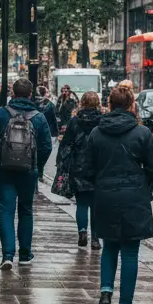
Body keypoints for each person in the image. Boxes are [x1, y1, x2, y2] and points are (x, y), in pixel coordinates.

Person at [77, 85, 153, 304]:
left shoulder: (96, 133)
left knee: (109, 248)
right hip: (134, 197)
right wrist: (140, 180)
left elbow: (86, 168)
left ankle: (105, 293)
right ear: (131, 105)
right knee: (130, 253)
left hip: (105, 197)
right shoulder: (142, 134)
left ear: (110, 105)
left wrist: (101, 182)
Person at [0, 78, 53, 270]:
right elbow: (46, 147)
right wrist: (36, 165)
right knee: (26, 211)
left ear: (13, 93)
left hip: (4, 171)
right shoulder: (39, 117)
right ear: (30, 94)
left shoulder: (0, 114)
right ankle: (25, 254)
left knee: (6, 211)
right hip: (28, 172)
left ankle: (7, 255)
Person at [55, 91, 102, 249]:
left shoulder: (75, 121)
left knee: (81, 204)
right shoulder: (103, 121)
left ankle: (82, 232)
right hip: (98, 167)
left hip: (78, 167)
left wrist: (61, 163)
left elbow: (66, 144)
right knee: (96, 205)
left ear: (82, 103)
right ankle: (95, 238)